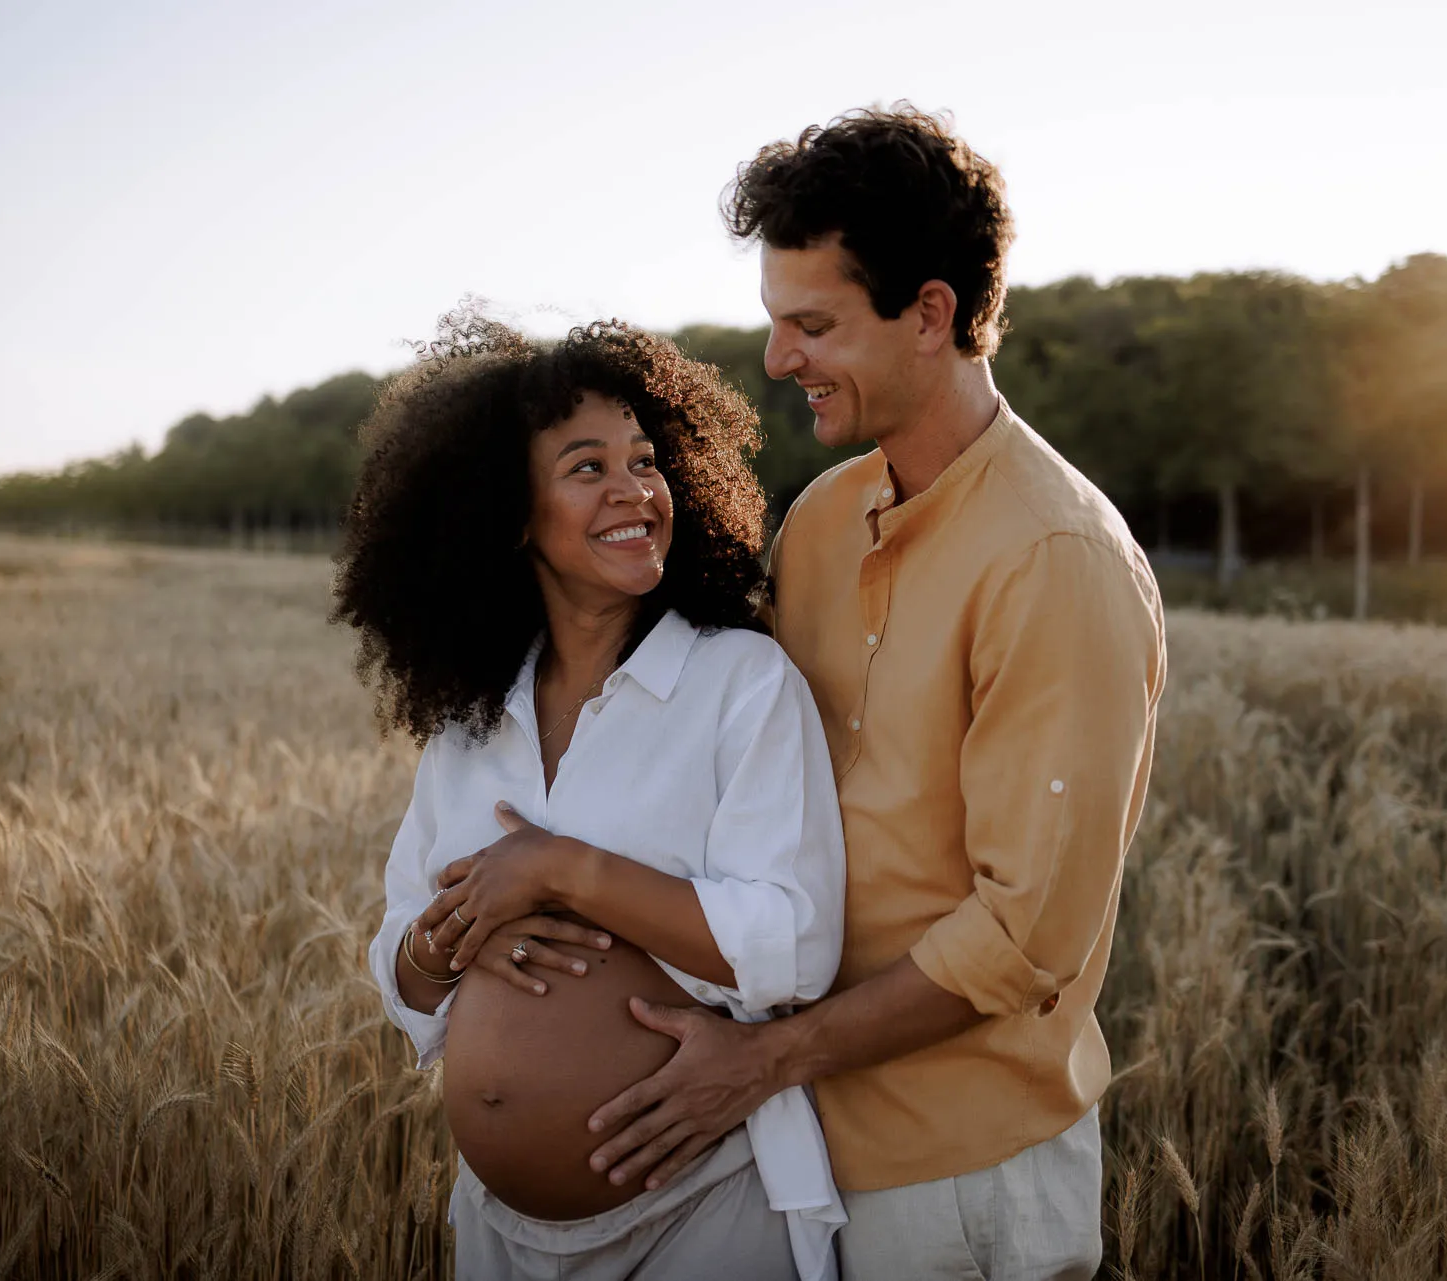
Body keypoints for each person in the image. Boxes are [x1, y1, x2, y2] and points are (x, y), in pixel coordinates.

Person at [578, 106, 1169, 1281]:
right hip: (787, 1162)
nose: (778, 360)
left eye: (813, 325)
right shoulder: (821, 521)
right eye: (775, 323)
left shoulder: (1056, 558)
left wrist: (766, 1058)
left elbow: (1020, 937)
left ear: (933, 314)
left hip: (965, 1184)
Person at [337, 313, 847, 1281]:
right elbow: (403, 976)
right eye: (587, 468)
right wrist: (449, 937)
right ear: (512, 513)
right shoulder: (472, 721)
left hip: (702, 1210)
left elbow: (795, 943)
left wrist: (559, 871)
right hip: (495, 1231)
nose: (635, 492)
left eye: (647, 461)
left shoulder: (739, 682)